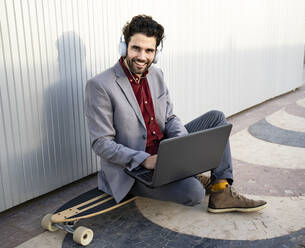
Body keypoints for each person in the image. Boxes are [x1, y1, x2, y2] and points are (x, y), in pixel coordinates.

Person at [85, 15, 267, 213]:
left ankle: (221, 191)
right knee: (194, 193)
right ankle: (190, 177)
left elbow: (169, 118)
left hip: (166, 152)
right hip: (134, 170)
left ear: (156, 53)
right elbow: (101, 143)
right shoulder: (100, 85)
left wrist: (182, 147)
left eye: (149, 50)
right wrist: (144, 159)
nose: (142, 57)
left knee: (217, 117)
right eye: (136, 48)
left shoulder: (156, 74)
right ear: (124, 47)